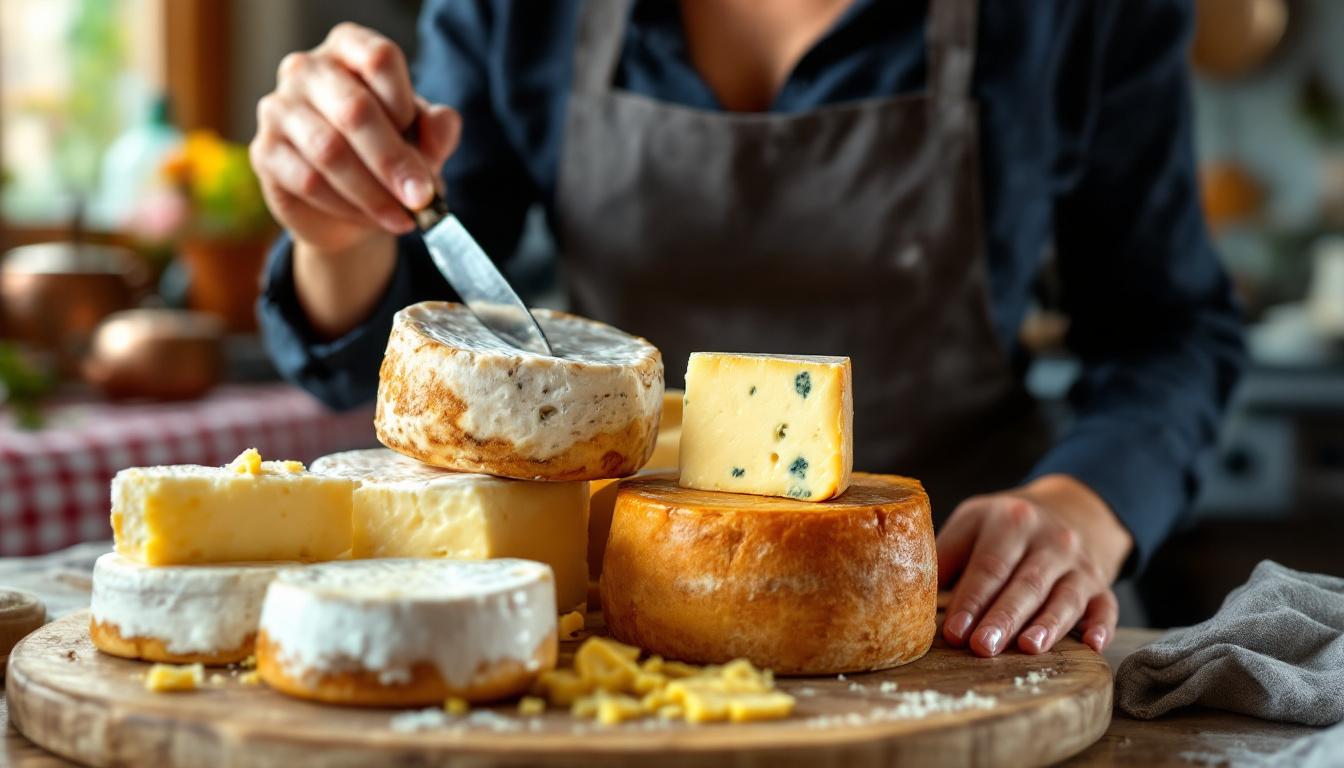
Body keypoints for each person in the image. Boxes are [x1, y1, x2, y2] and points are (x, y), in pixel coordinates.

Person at [251, 0, 1245, 657]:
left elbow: (1168, 329)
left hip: (957, 615)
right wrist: (338, 233)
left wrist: (1081, 506)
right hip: (615, 623)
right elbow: (417, 363)